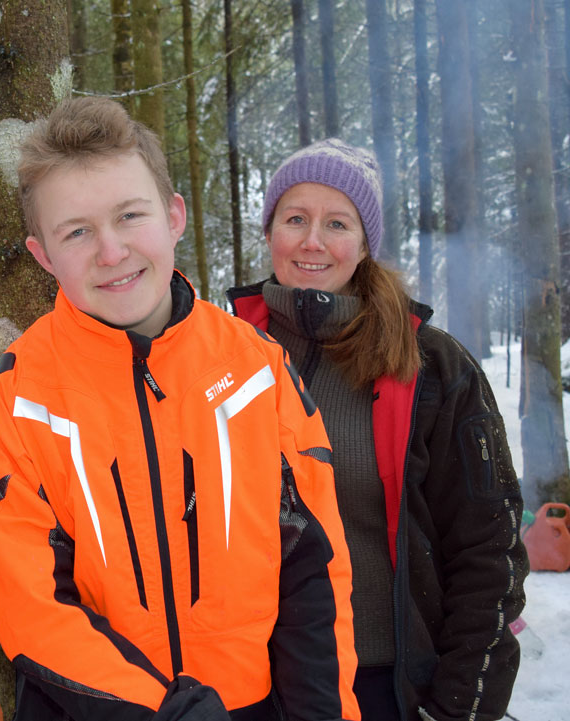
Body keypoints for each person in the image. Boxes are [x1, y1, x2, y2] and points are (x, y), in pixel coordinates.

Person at [0, 96, 361, 721]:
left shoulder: (258, 369)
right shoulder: (6, 404)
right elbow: (30, 607)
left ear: (174, 216)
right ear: (43, 255)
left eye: (129, 216)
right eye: (77, 232)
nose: (111, 251)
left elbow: (315, 570)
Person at [226, 138, 527, 721]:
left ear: (365, 244)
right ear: (270, 231)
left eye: (337, 223)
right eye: (295, 219)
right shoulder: (220, 355)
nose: (313, 241)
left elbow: (488, 552)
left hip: (387, 687)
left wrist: (458, 705)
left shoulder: (433, 366)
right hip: (251, 685)